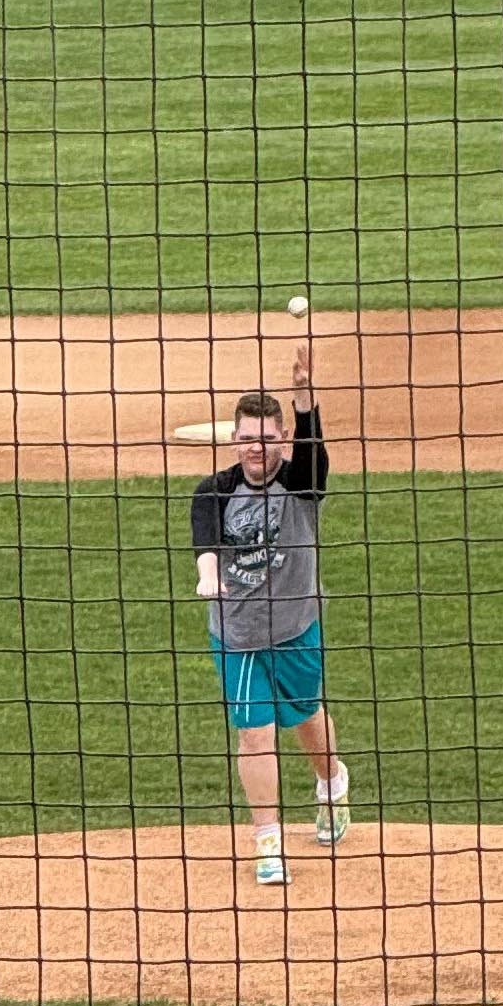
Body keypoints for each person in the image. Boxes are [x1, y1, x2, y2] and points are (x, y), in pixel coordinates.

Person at [188, 340, 353, 885]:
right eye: (245, 440)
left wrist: (305, 399)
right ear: (233, 440)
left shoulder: (300, 484)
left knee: (305, 714)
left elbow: (315, 455)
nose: (255, 449)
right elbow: (206, 541)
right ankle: (269, 843)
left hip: (296, 626)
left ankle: (331, 784)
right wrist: (208, 576)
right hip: (236, 635)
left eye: (265, 439)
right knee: (254, 732)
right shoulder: (214, 491)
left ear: (280, 438)